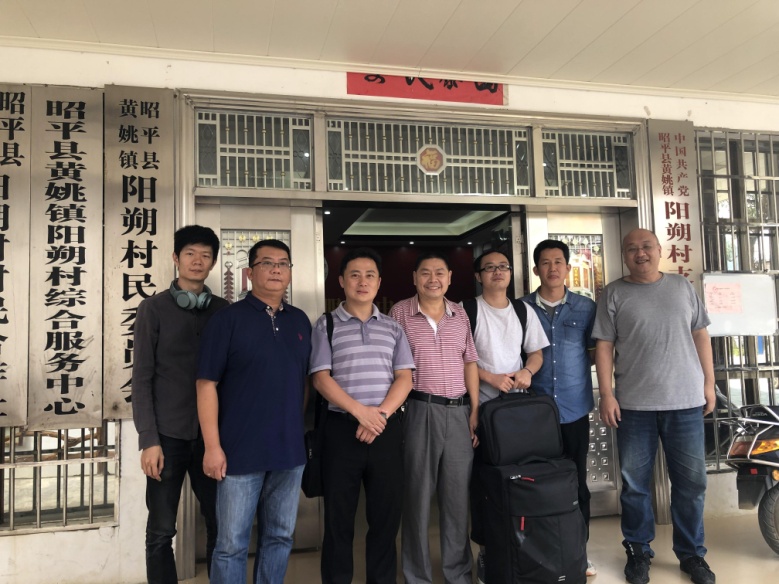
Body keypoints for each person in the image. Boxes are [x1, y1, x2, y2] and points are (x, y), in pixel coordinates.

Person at [592, 228, 716, 584]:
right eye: (632, 248)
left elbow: (700, 334)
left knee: (691, 484)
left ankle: (692, 554)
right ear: (624, 255)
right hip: (634, 407)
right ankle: (638, 550)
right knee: (635, 486)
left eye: (646, 246)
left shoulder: (681, 287)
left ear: (660, 250)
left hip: (686, 403)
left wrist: (709, 383)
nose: (640, 253)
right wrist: (607, 393)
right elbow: (604, 345)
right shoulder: (613, 293)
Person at [196, 239, 312, 584]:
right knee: (231, 544)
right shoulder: (227, 320)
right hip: (238, 452)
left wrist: (295, 428)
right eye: (267, 263)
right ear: (249, 273)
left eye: (283, 263)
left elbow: (305, 383)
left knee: (280, 537)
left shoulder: (300, 321)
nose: (276, 269)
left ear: (290, 272)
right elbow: (206, 385)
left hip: (289, 453)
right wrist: (212, 447)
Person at [309, 247, 415, 584]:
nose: (362, 281)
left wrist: (378, 416)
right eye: (354, 275)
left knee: (385, 520)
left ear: (379, 282)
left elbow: (405, 378)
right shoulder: (325, 325)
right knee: (338, 521)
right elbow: (320, 378)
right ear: (341, 281)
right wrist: (360, 413)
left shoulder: (393, 328)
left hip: (386, 431)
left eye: (370, 275)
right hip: (342, 433)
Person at [132, 224, 228, 584]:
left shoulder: (224, 311)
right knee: (160, 531)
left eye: (205, 255)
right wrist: (148, 440)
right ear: (176, 258)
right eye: (190, 253)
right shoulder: (153, 309)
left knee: (220, 524)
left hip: (212, 438)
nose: (197, 261)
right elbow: (142, 378)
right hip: (167, 437)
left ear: (213, 262)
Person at [389, 252, 479, 584]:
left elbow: (470, 362)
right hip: (418, 410)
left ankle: (458, 573)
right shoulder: (399, 312)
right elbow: (391, 365)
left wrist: (475, 409)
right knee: (417, 497)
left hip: (458, 412)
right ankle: (417, 575)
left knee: (457, 498)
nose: (433, 279)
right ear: (414, 278)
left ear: (450, 277)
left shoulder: (460, 314)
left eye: (439, 272)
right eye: (425, 273)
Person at [467, 249, 548, 584]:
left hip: (516, 415)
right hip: (482, 413)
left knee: (519, 483)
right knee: (484, 486)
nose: (497, 272)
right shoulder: (467, 310)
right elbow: (458, 358)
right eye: (489, 268)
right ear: (479, 276)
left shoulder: (523, 310)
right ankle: (487, 551)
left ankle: (520, 548)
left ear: (511, 273)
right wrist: (489, 377)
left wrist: (527, 371)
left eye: (503, 267)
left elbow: (536, 353)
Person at [522, 239, 598, 577]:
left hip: (573, 409)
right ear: (536, 269)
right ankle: (540, 552)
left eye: (558, 262)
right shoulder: (521, 308)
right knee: (535, 483)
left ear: (567, 268)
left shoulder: (586, 307)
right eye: (545, 262)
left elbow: (595, 353)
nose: (552, 268)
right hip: (533, 413)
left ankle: (579, 552)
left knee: (576, 482)